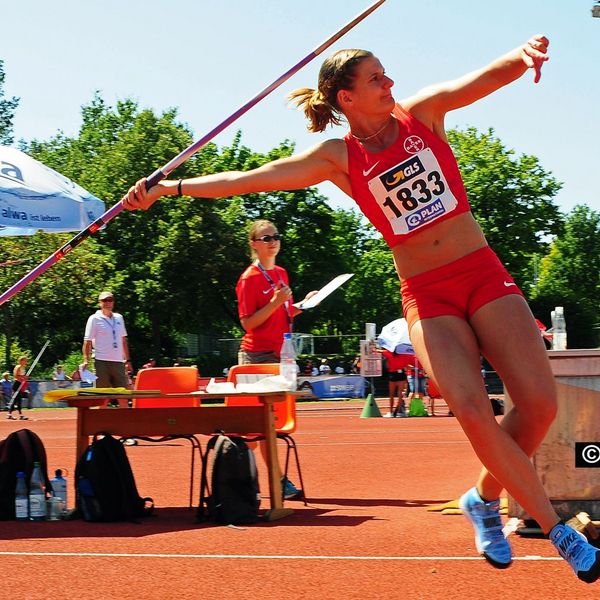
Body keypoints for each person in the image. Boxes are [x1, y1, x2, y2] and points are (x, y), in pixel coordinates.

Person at [123, 37, 600, 581]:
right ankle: (559, 531)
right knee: (470, 408)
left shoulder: (422, 114)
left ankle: (482, 498)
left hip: (482, 273)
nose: (389, 83)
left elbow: (483, 78)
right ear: (346, 98)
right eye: (376, 78)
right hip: (429, 293)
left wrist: (523, 57)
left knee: (538, 406)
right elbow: (249, 179)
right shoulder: (338, 158)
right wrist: (172, 188)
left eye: (386, 74)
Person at [82, 291, 133, 407]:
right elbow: (87, 341)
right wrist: (86, 360)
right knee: (103, 397)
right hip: (101, 361)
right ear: (100, 303)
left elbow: (123, 340)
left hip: (118, 362)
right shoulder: (94, 319)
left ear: (113, 302)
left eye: (110, 300)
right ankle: (100, 423)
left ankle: (125, 423)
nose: (108, 303)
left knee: (123, 396)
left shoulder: (119, 318)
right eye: (105, 300)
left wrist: (128, 360)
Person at [8, 356, 28, 420]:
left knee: (17, 400)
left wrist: (25, 377)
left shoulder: (23, 368)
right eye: (25, 360)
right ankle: (20, 415)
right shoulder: (18, 367)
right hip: (16, 384)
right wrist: (23, 377)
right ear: (21, 361)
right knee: (17, 399)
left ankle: (10, 414)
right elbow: (16, 375)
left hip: (20, 384)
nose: (26, 362)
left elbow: (22, 376)